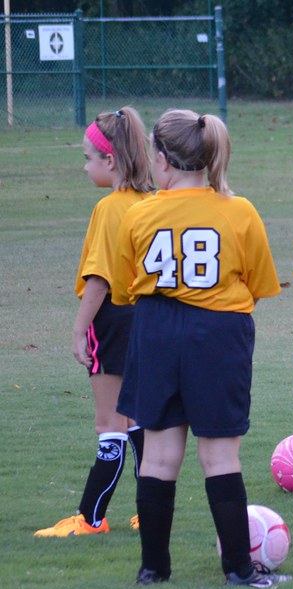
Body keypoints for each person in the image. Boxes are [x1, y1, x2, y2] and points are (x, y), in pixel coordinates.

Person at [111, 109, 283, 588]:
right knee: (221, 457)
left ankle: (154, 570)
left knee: (159, 457)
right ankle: (239, 571)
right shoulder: (239, 211)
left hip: (156, 331)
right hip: (218, 333)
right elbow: (259, 283)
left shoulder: (139, 213)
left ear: (162, 161)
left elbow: (125, 291)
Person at [34, 107, 152, 538]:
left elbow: (99, 279)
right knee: (138, 420)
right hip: (148, 319)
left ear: (111, 160)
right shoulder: (153, 202)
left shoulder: (110, 208)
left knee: (109, 424)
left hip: (113, 320)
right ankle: (148, 510)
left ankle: (91, 518)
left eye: (88, 158)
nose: (85, 167)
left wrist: (78, 329)